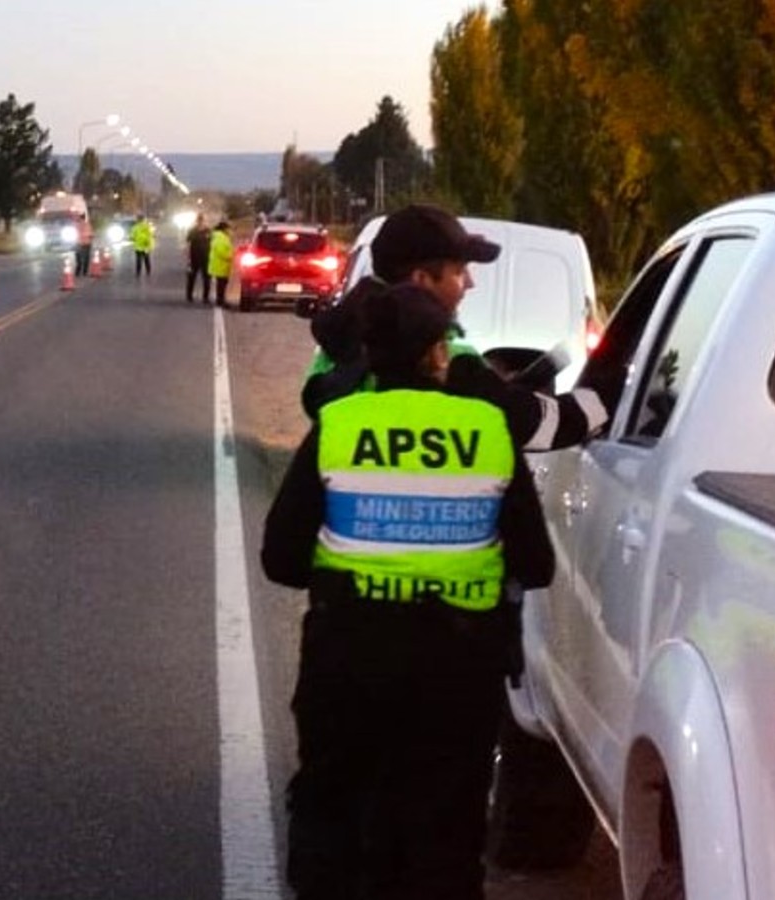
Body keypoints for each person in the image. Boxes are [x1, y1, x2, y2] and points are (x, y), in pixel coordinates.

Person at [262, 281, 554, 900]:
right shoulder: (488, 427)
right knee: (444, 838)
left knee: (330, 819)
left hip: (347, 663)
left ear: (370, 353)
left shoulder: (339, 424)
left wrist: (354, 572)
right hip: (458, 671)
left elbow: (281, 560)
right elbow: (538, 563)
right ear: (437, 355)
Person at [304, 204, 616, 450]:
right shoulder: (443, 358)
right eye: (459, 271)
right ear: (421, 280)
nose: (470, 282)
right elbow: (535, 425)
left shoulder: (333, 353)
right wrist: (612, 390)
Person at [184, 213, 212, 303]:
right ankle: (189, 295)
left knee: (207, 278)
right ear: (197, 221)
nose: (200, 222)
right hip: (194, 257)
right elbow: (188, 244)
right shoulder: (192, 231)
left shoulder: (208, 231)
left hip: (206, 258)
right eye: (199, 220)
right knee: (191, 277)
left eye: (202, 220)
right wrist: (188, 258)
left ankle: (206, 297)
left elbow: (213, 244)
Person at [207, 220, 235, 307]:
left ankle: (221, 300)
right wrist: (230, 256)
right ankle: (220, 301)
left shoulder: (221, 237)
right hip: (220, 265)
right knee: (221, 285)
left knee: (222, 285)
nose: (230, 231)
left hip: (222, 265)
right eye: (229, 229)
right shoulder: (220, 238)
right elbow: (221, 251)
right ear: (224, 229)